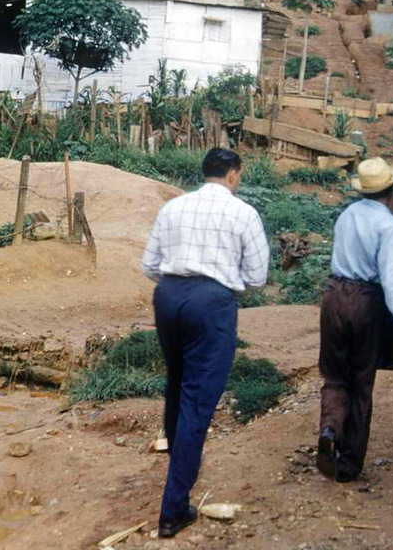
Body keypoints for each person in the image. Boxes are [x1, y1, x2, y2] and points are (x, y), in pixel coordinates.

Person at [141, 148, 270, 538]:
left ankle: (177, 469)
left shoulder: (173, 207)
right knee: (198, 400)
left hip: (168, 296)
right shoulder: (243, 213)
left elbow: (149, 264)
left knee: (177, 386)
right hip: (211, 302)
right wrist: (220, 283)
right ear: (233, 175)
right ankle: (173, 508)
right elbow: (258, 276)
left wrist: (180, 283)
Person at [317, 157, 393, 483]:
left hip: (333, 296)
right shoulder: (389, 225)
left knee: (334, 376)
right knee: (360, 383)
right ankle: (349, 464)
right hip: (364, 301)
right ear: (391, 189)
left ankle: (329, 430)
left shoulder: (346, 216)